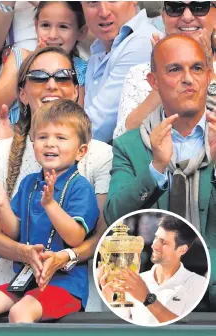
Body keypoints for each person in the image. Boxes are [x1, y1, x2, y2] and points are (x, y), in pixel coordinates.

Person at [0, 46, 113, 312]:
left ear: (75, 90)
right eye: (39, 77)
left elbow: (100, 236)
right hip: (15, 278)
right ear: (22, 93)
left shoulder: (101, 153)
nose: (51, 84)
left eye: (62, 76)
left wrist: (65, 257)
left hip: (73, 281)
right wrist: (23, 251)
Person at [103, 34, 216, 310]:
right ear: (153, 82)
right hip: (154, 289)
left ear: (210, 75)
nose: (188, 78)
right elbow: (114, 217)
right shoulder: (129, 145)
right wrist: (156, 167)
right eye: (175, 69)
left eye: (197, 68)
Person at [0, 99, 99, 323]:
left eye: (61, 138)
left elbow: (75, 237)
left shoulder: (79, 186)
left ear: (81, 151)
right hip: (26, 281)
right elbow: (15, 231)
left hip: (65, 285)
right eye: (43, 137)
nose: (50, 144)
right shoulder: (29, 183)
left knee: (21, 312)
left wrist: (50, 205)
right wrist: (2, 204)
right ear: (33, 143)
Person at [114, 0, 216, 138]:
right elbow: (122, 139)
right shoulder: (140, 73)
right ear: (163, 16)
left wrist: (208, 70)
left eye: (199, 7)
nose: (187, 17)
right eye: (175, 8)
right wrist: (162, 76)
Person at [0, 1, 88, 123]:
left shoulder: (81, 69)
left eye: (63, 27)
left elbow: (77, 120)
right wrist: (31, 63)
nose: (52, 35)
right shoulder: (20, 57)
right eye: (45, 25)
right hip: (13, 137)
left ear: (81, 32)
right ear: (36, 26)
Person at [99, 215, 208, 325]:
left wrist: (146, 297)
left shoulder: (197, 283)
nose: (154, 245)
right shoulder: (137, 280)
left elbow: (184, 327)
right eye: (156, 238)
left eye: (164, 243)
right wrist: (109, 299)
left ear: (182, 250)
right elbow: (121, 326)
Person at [81, 1, 160, 143]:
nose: (104, 12)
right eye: (93, 2)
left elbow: (97, 128)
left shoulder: (143, 41)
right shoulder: (99, 48)